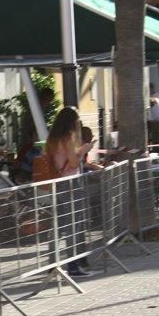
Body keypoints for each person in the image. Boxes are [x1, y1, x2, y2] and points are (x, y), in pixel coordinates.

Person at [43, 107, 95, 277]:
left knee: (58, 225)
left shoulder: (52, 139)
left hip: (57, 182)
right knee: (73, 224)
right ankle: (73, 266)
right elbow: (73, 163)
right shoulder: (69, 138)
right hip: (71, 183)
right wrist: (84, 150)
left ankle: (52, 264)